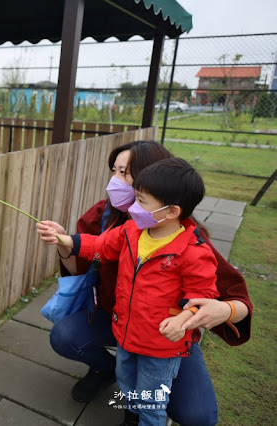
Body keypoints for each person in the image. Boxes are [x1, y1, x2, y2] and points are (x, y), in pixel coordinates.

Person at [35, 141, 253, 426]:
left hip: (164, 338)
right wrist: (66, 241)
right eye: (114, 171)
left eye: (125, 173)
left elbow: (213, 294)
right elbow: (96, 247)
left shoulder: (192, 245)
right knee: (125, 378)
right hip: (123, 327)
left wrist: (210, 313)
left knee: (176, 407)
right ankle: (115, 388)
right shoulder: (121, 223)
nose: (115, 181)